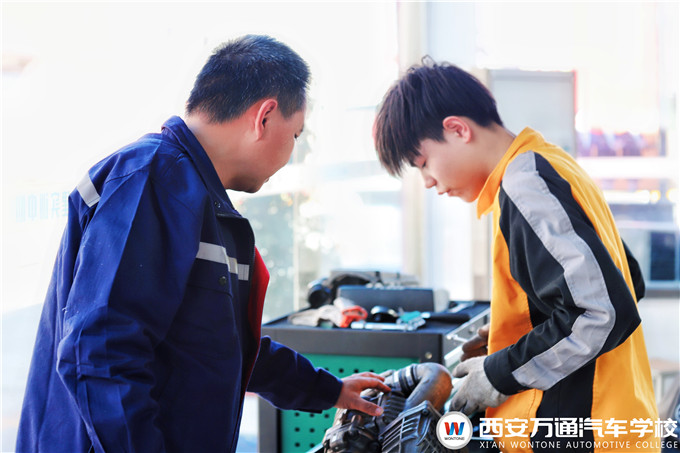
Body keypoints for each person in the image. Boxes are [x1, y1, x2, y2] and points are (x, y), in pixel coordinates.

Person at [17, 34, 390, 453]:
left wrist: (328, 390)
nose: (291, 153)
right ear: (265, 116)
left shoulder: (197, 199)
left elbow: (220, 346)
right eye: (296, 134)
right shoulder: (150, 180)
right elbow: (102, 355)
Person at [373, 59, 659, 452]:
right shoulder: (551, 164)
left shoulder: (527, 186)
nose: (427, 182)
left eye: (423, 163)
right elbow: (626, 280)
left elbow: (600, 313)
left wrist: (498, 372)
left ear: (457, 129)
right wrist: (520, 332)